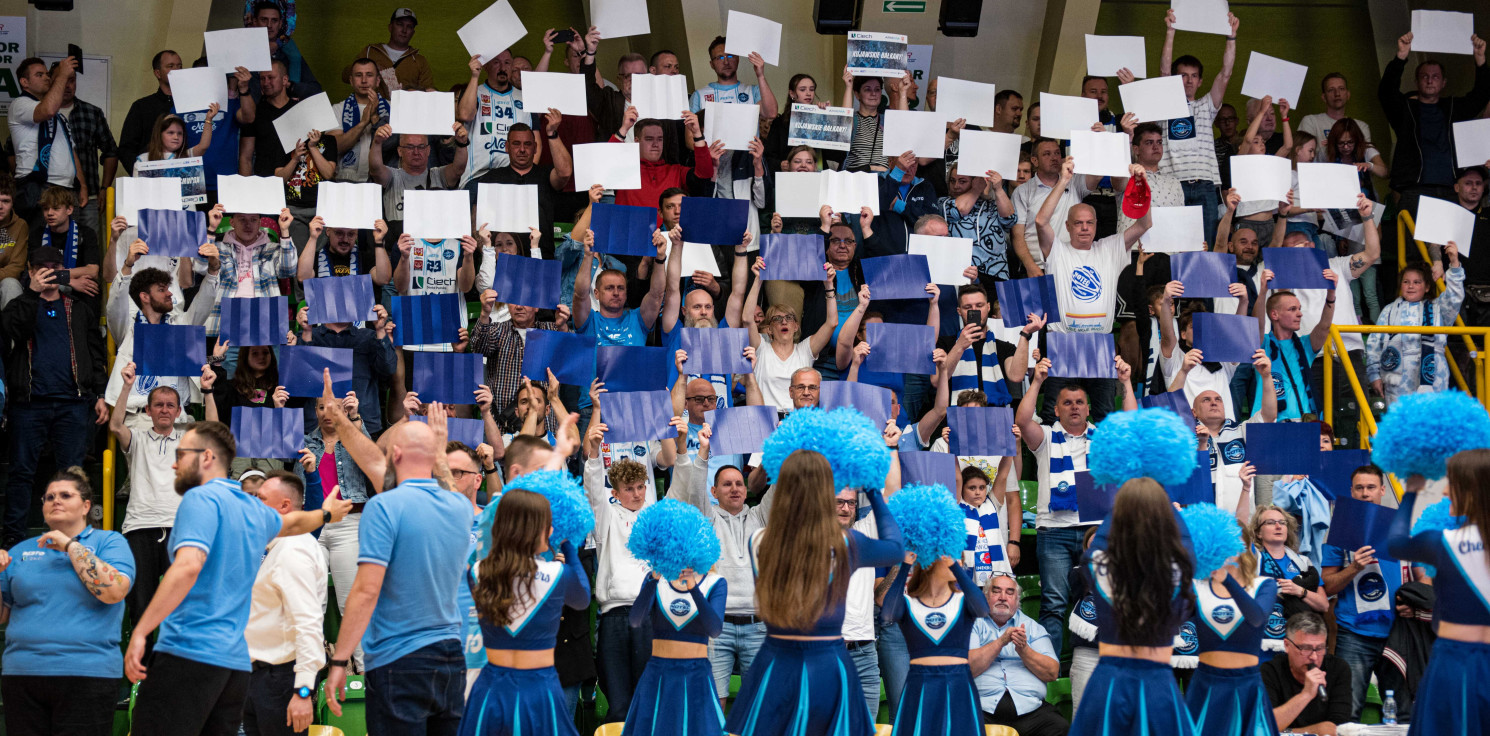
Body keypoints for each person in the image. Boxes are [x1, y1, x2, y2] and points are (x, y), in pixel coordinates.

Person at [126, 421, 350, 736]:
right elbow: (292, 523)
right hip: (235, 668)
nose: (174, 464)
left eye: (181, 454)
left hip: (190, 651)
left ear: (206, 457)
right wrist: (326, 515)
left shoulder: (200, 498)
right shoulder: (248, 505)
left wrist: (141, 631)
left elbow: (188, 566)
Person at [723, 449, 903, 736]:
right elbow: (896, 548)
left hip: (775, 665)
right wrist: (872, 490)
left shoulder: (758, 540)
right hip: (827, 666)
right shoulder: (845, 543)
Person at [322, 404, 471, 734]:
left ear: (396, 455)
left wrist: (340, 660)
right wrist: (438, 451)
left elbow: (366, 590)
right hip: (450, 656)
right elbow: (444, 485)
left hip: (398, 659)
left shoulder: (383, 506)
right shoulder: (459, 507)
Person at [0, 468, 133, 736]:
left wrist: (71, 546)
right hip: (22, 673)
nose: (55, 501)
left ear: (86, 506)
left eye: (65, 495)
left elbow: (115, 591)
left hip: (87, 673)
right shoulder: (20, 551)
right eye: (49, 497)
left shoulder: (109, 542)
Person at [1016, 352, 1136, 646]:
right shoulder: (1045, 437)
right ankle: (1051, 669)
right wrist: (1037, 381)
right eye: (1067, 403)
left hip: (1097, 530)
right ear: (1056, 410)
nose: (1074, 407)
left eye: (1079, 402)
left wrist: (1125, 382)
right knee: (1053, 605)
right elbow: (1022, 420)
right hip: (1054, 532)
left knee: (1104, 600)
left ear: (1088, 408)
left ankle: (1099, 663)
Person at [1068, 479, 1196, 733]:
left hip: (1109, 683)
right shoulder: (1178, 571)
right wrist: (1170, 510)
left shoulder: (1101, 566)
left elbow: (1096, 545)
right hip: (1158, 685)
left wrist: (1122, 504)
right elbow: (1187, 543)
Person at [1, 245, 107, 549]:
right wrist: (32, 293)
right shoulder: (19, 305)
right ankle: (12, 537)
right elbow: (12, 332)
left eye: (55, 268)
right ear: (31, 271)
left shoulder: (79, 308)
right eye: (41, 269)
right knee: (21, 472)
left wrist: (100, 394)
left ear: (63, 271)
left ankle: (73, 536)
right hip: (28, 404)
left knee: (72, 475)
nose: (48, 273)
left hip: (73, 403)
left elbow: (96, 354)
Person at [464, 487, 591, 736]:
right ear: (536, 530)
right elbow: (583, 598)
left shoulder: (477, 572)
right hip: (539, 691)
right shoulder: (557, 574)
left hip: (490, 690)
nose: (552, 530)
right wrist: (567, 543)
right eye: (548, 524)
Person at [1034, 159, 1152, 423]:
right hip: (1063, 342)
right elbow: (1041, 221)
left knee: (1104, 416)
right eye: (1078, 223)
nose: (1085, 228)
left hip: (1099, 343)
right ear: (1067, 226)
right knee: (1053, 416)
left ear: (1097, 224)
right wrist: (1064, 181)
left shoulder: (1109, 248)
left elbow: (1144, 225)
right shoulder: (1056, 250)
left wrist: (1140, 185)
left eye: (1089, 223)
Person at [1387, 448, 1490, 735]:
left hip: (1454, 662)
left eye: (1452, 484)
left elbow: (1395, 543)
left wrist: (1411, 492)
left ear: (1472, 490)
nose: (1445, 492)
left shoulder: (1443, 542)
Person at [669, 427, 772, 709]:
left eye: (739, 483)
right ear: (713, 492)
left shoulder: (761, 517)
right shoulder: (707, 519)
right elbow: (694, 490)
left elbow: (783, 488)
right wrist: (703, 451)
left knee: (758, 706)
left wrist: (782, 448)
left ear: (747, 489)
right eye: (727, 485)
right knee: (713, 704)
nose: (735, 489)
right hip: (717, 627)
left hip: (757, 625)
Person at [582, 419, 675, 722]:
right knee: (619, 705)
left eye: (640, 487)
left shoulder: (657, 517)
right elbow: (593, 492)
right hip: (614, 616)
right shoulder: (606, 517)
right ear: (616, 492)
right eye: (629, 489)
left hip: (651, 615)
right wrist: (593, 453)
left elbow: (683, 484)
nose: (636, 494)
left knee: (650, 702)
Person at [1319, 465, 1410, 720]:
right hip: (1354, 634)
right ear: (1351, 491)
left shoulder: (1401, 527)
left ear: (1382, 490)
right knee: (1347, 712)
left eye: (1371, 487)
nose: (1365, 493)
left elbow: (1422, 576)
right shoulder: (1340, 530)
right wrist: (1354, 568)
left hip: (1398, 632)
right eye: (1359, 488)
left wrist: (1413, 603)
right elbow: (1328, 586)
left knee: (1404, 711)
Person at [243, 470, 328, 736]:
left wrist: (303, 692)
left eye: (261, 498)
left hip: (282, 680)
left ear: (284, 505)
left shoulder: (293, 550)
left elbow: (308, 623)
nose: (254, 505)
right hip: (259, 676)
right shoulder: (276, 546)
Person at [874, 551, 990, 735]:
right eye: (951, 556)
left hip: (958, 682)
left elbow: (983, 608)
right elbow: (888, 612)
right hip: (920, 684)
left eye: (958, 559)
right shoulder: (909, 602)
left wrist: (955, 568)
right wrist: (904, 566)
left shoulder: (963, 600)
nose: (957, 562)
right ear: (931, 561)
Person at [1183, 533, 1281, 734]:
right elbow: (1170, 620)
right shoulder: (1197, 586)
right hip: (1206, 683)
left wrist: (1228, 581)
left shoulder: (1264, 584)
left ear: (1244, 546)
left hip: (1246, 685)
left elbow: (1257, 618)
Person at [1158, 9, 1240, 244]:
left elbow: (1226, 74)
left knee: (1206, 247)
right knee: (1174, 247)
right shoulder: (1163, 105)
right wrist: (1170, 31)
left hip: (1205, 185)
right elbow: (1164, 71)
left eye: (1194, 76)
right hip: (1172, 184)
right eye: (1183, 75)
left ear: (1200, 81)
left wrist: (1231, 37)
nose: (1189, 80)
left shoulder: (1207, 105)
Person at [1378, 32, 1489, 207]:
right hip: (1413, 188)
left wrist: (1480, 59)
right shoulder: (1405, 110)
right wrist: (1401, 56)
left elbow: (1481, 95)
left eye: (1435, 76)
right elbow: (1386, 91)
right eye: (1425, 76)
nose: (1430, 81)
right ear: (1416, 82)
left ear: (1443, 83)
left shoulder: (1453, 108)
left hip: (1452, 188)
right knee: (1412, 227)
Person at [622, 563, 727, 735]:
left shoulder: (715, 582)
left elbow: (715, 630)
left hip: (696, 675)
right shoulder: (657, 579)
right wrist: (652, 580)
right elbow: (635, 621)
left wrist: (694, 589)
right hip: (658, 675)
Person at [969, 573, 1066, 735]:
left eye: (1009, 592)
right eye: (996, 591)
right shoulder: (973, 624)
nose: (1002, 597)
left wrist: (1024, 650)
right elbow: (968, 668)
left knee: (1058, 726)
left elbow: (1052, 672)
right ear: (986, 597)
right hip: (982, 709)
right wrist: (1001, 642)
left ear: (1017, 600)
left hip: (1030, 711)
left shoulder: (1033, 628)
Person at [1367, 247, 1464, 404]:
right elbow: (1374, 344)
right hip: (1397, 382)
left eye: (1417, 282)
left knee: (1432, 419)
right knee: (1401, 419)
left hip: (1433, 381)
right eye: (1406, 282)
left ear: (1427, 287)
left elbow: (1454, 297)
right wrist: (1374, 375)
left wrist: (1454, 263)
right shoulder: (1389, 310)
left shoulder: (1438, 309)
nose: (1410, 286)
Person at [745, 256, 839, 412]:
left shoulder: (805, 350)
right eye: (777, 319)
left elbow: (832, 323)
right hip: (767, 419)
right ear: (769, 328)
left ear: (796, 326)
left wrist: (829, 286)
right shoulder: (761, 348)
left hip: (798, 420)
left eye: (789, 318)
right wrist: (758, 280)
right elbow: (747, 319)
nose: (784, 322)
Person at [474, 118, 572, 259]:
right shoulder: (492, 178)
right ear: (507, 147)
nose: (522, 149)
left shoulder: (545, 175)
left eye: (527, 144)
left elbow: (565, 172)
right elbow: (477, 220)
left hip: (542, 257)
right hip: (503, 259)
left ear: (535, 148)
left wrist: (552, 133)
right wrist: (488, 256)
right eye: (516, 144)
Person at [10, 57, 86, 222]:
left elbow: (70, 151)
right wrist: (62, 75)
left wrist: (82, 185)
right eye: (39, 75)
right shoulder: (20, 104)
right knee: (39, 237)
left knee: (70, 237)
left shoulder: (58, 115)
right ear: (24, 82)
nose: (46, 78)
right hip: (38, 185)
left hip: (67, 187)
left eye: (47, 74)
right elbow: (47, 110)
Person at [1250, 505, 1329, 654]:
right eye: (1270, 522)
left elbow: (1324, 605)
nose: (1278, 526)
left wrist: (1299, 591)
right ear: (1258, 532)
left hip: (1299, 643)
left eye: (1282, 522)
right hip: (1262, 642)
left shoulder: (1303, 562)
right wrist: (1245, 492)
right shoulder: (1253, 559)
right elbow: (1238, 528)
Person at [369, 123, 468, 238]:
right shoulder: (392, 176)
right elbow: (375, 169)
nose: (416, 152)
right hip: (398, 243)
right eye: (410, 147)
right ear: (400, 151)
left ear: (428, 150)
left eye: (421, 147)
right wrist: (377, 142)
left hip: (434, 244)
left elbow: (458, 169)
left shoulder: (439, 175)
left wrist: (462, 143)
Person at [1260, 612, 1352, 735]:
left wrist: (1288, 731)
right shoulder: (1270, 671)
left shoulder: (1338, 669)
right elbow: (1266, 725)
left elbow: (1337, 727)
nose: (1314, 657)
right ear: (1287, 645)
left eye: (1320, 648)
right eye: (1305, 648)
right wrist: (1306, 694)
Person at [1011, 140, 1093, 277]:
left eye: (1057, 153)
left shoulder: (1074, 181)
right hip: (1038, 267)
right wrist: (1030, 266)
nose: (1054, 158)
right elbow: (1017, 236)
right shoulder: (1022, 191)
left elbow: (1097, 176)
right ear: (1035, 161)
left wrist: (1098, 139)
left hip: (1073, 265)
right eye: (1047, 154)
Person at [55, 66, 117, 229]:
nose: (67, 85)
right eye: (63, 80)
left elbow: (111, 151)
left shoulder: (92, 113)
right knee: (53, 244)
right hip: (52, 198)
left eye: (72, 80)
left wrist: (104, 188)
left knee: (90, 243)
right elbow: (13, 151)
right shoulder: (42, 113)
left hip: (88, 198)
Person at [457, 49, 530, 187]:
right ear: (486, 66)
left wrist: (527, 176)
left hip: (514, 178)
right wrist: (474, 76)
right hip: (477, 177)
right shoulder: (474, 92)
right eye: (496, 62)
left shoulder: (524, 98)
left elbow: (535, 141)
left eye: (507, 63)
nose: (502, 68)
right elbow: (465, 115)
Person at [611, 115, 717, 209]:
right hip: (631, 225)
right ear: (637, 141)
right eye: (649, 139)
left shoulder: (676, 171)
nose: (655, 144)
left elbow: (704, 175)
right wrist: (623, 129)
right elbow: (606, 165)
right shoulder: (625, 170)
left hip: (668, 227)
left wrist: (697, 134)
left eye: (660, 139)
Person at [940, 165, 1018, 285]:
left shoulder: (992, 204)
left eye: (962, 181)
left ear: (975, 181)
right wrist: (976, 190)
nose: (956, 186)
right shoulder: (944, 203)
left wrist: (998, 189)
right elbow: (960, 209)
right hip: (962, 272)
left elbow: (1010, 220)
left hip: (996, 271)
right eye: (952, 181)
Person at [344, 8, 433, 99]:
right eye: (400, 24)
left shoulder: (419, 60)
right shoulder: (370, 52)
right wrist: (371, 69)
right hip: (371, 106)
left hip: (404, 107)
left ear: (413, 33)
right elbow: (346, 76)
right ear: (390, 27)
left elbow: (428, 94)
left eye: (409, 27)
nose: (404, 30)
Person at [118, 50, 180, 174]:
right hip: (149, 178)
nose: (177, 70)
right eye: (170, 66)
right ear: (157, 73)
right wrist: (141, 174)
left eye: (179, 66)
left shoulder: (191, 105)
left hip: (186, 176)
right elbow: (126, 149)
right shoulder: (142, 107)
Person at [331, 57, 389, 183]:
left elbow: (397, 147)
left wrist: (375, 117)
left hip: (383, 179)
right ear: (351, 81)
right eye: (358, 75)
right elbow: (335, 147)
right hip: (345, 180)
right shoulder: (338, 109)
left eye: (369, 75)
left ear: (377, 81)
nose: (364, 80)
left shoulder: (392, 108)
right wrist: (363, 123)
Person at [250, 1, 320, 98]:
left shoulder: (290, 55)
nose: (269, 25)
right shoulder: (245, 53)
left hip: (289, 105)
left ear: (280, 23)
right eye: (264, 19)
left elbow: (316, 91)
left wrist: (291, 86)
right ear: (255, 21)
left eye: (274, 20)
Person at [1299, 73, 1373, 146]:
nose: (1337, 94)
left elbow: (1367, 152)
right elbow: (1302, 152)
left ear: (1348, 95)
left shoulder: (1361, 127)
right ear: (1324, 97)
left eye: (1341, 89)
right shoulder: (1311, 122)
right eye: (1331, 90)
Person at [0, 178, 30, 309]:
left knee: (11, 284)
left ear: (12, 203)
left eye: (5, 201)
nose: (0, 206)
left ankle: (11, 323)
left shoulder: (20, 225)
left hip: (5, 281)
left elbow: (16, 267)